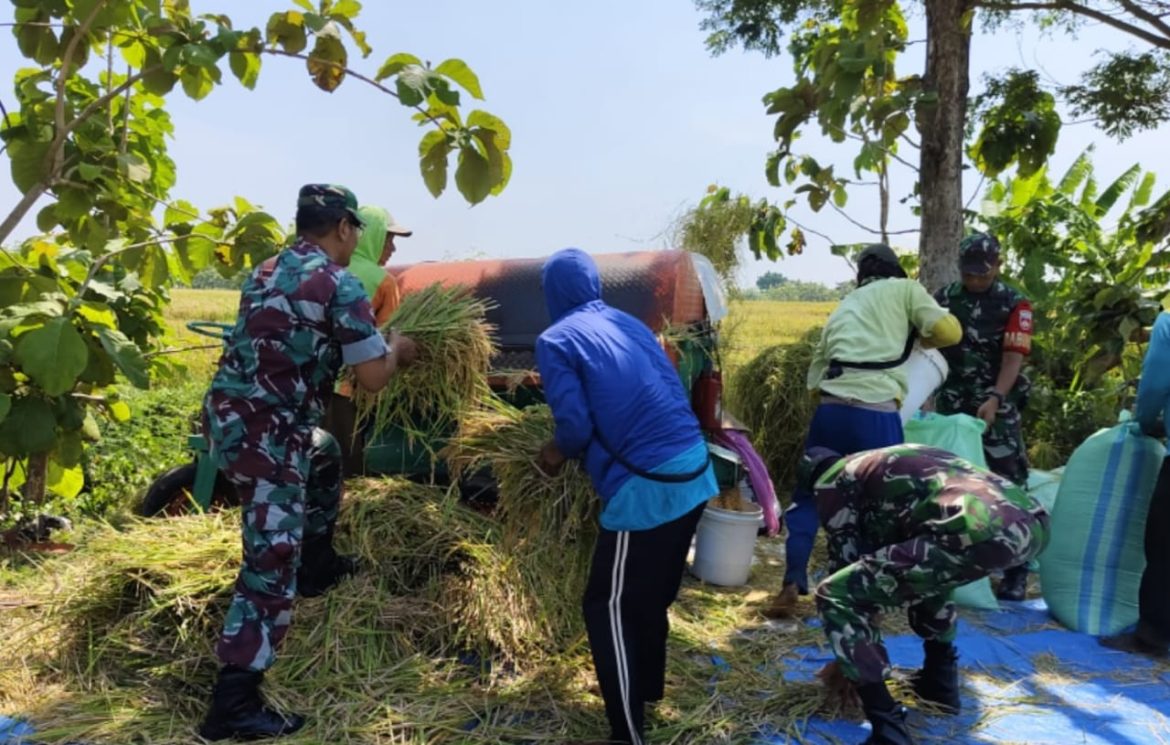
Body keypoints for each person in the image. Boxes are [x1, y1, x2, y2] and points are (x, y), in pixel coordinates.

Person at [199, 184, 417, 741]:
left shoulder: (268, 268)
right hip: (266, 432)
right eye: (358, 233)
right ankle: (234, 701)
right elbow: (371, 379)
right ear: (345, 227)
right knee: (271, 559)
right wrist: (398, 350)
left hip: (230, 417)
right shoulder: (339, 283)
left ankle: (317, 561)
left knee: (322, 455)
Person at [534, 248, 718, 745]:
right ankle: (647, 693)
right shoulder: (632, 324)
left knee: (607, 605)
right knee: (651, 596)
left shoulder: (556, 339)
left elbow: (573, 428)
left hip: (647, 487)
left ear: (552, 293)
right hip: (695, 472)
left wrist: (549, 457)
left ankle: (627, 733)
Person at [805, 444, 1050, 745]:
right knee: (926, 572)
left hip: (980, 527)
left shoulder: (831, 480)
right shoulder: (886, 458)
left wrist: (852, 660)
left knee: (835, 593)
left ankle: (887, 726)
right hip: (1031, 523)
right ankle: (940, 683)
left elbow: (846, 567)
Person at [765, 244, 960, 618]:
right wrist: (922, 338)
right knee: (877, 508)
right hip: (876, 418)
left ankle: (791, 582)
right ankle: (860, 599)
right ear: (895, 272)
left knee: (808, 497)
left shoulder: (845, 306)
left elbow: (814, 378)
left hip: (830, 412)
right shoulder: (905, 290)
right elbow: (949, 331)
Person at [933, 232, 1035, 602]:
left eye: (983, 273)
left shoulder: (1014, 303)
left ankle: (1015, 571)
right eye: (969, 273)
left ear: (998, 266)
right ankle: (956, 563)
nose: (975, 280)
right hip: (953, 406)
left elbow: (1013, 357)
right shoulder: (944, 298)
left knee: (1008, 483)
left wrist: (995, 397)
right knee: (952, 481)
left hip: (998, 405)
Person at [1100, 310, 1170, 658]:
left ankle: (1152, 637)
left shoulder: (1168, 324)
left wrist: (1145, 423)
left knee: (1164, 545)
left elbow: (1156, 386)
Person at [346, 206, 413, 325]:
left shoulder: (325, 265)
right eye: (388, 240)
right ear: (373, 238)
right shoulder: (384, 281)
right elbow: (387, 334)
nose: (393, 248)